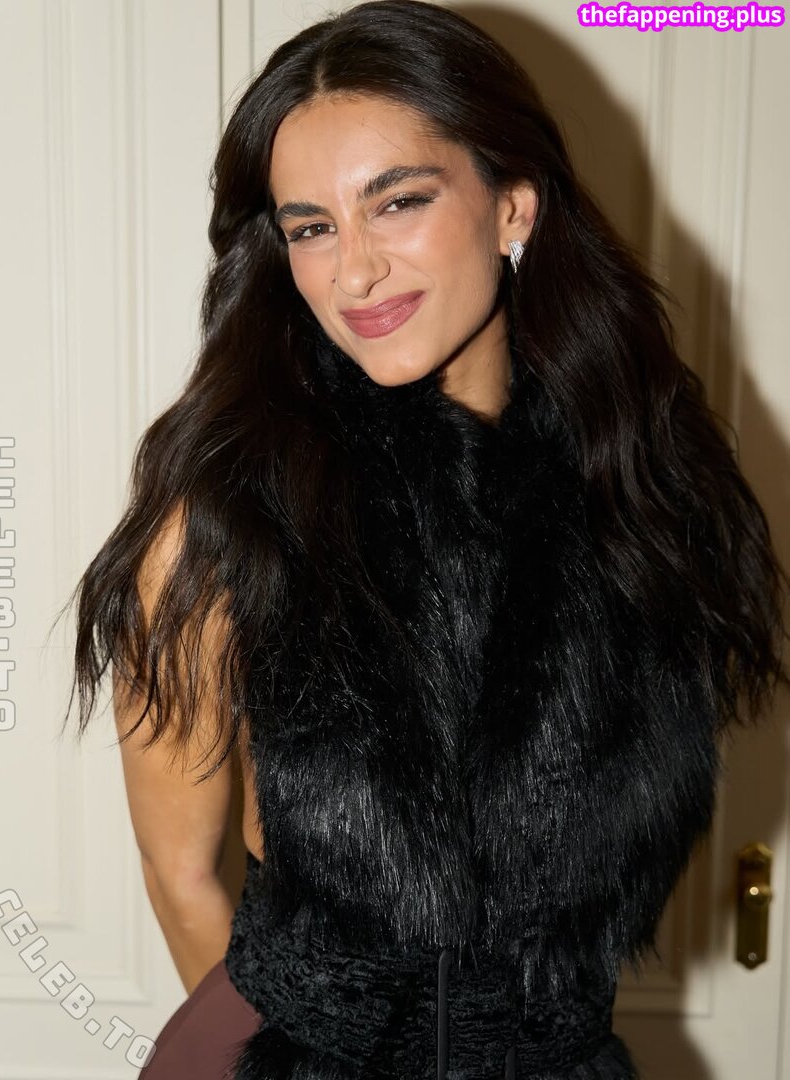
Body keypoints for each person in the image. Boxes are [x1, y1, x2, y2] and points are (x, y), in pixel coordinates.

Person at [58, 1, 790, 1077]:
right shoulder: (228, 523)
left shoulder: (650, 499)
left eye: (397, 201)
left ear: (512, 207)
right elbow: (184, 875)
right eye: (310, 227)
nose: (352, 271)